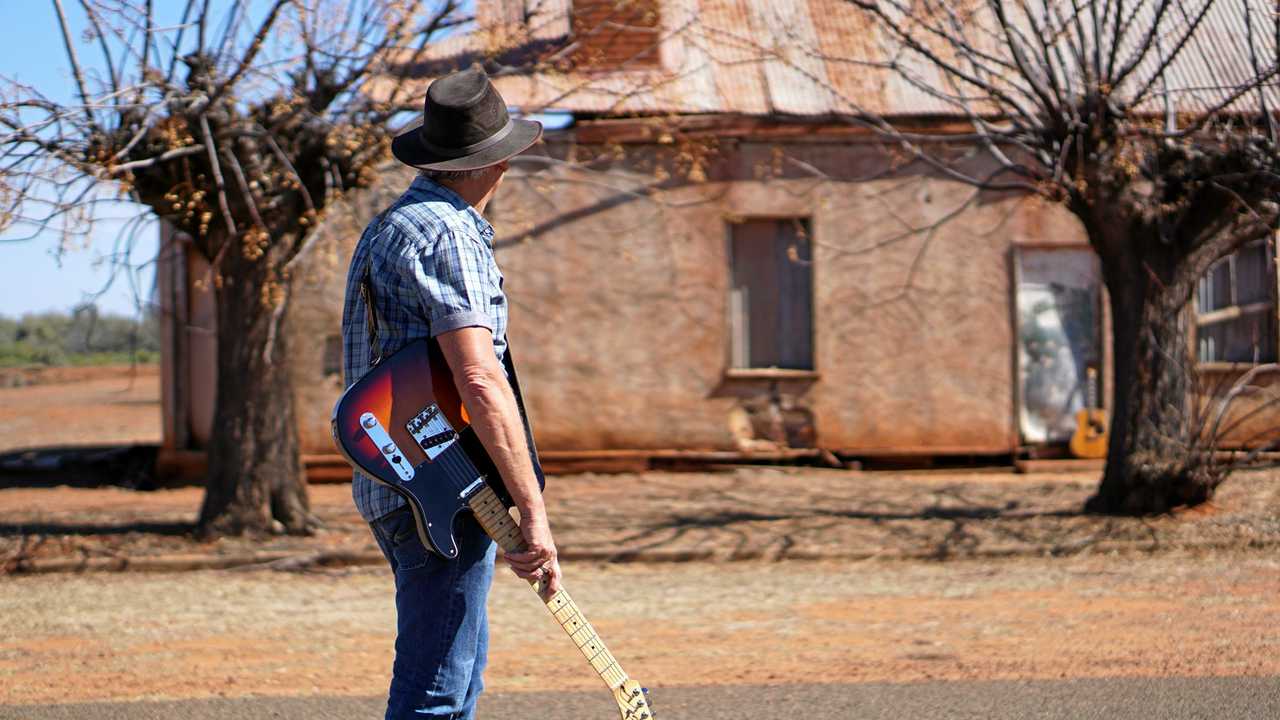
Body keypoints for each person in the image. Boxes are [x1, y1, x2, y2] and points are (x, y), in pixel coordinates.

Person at [340, 65, 558, 720]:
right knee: (437, 695)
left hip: (405, 484)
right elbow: (480, 380)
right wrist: (532, 508)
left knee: (456, 687)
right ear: (495, 162)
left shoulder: (391, 225)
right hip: (446, 490)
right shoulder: (450, 236)